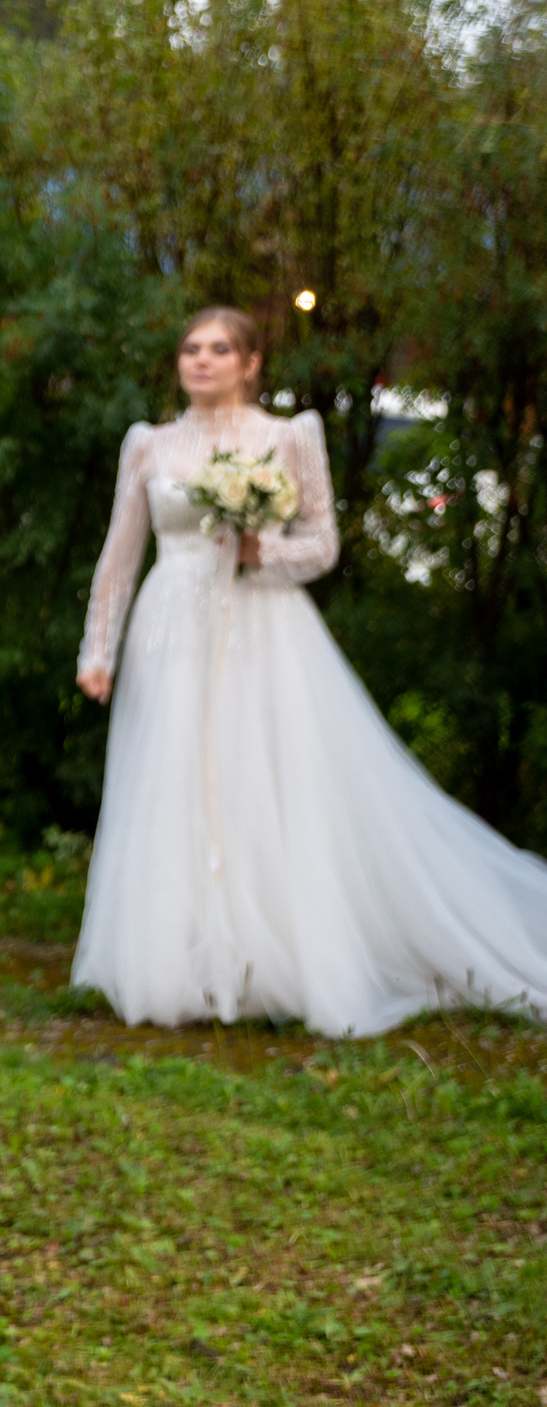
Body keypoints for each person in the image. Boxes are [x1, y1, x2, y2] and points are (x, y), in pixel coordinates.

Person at [75, 306, 547, 1036]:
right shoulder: (149, 444)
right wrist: (97, 650)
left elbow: (322, 545)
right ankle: (181, 962)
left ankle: (272, 959)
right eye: (191, 348)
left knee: (264, 781)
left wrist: (261, 552)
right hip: (170, 625)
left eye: (219, 349)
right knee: (172, 780)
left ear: (251, 362)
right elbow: (119, 554)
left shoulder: (289, 437)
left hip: (264, 625)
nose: (201, 360)